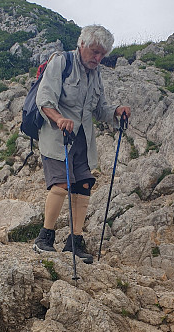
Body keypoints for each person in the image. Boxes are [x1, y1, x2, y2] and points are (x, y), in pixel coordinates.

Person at [33, 25, 131, 264]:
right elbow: (44, 99)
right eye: (95, 52)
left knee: (84, 184)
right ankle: (44, 238)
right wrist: (59, 119)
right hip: (57, 136)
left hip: (82, 140)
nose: (98, 58)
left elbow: (100, 109)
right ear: (82, 45)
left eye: (102, 55)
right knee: (60, 184)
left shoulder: (95, 74)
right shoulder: (61, 63)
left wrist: (116, 112)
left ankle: (75, 242)